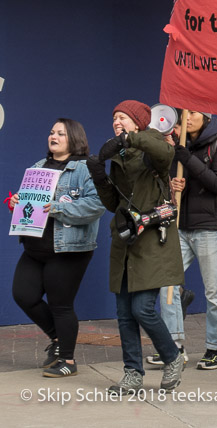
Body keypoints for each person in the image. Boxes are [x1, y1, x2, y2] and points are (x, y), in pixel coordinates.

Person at [86, 100, 185, 394]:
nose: (116, 122)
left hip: (153, 240)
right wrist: (99, 176)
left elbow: (165, 152)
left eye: (122, 117)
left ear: (139, 122)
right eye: (114, 117)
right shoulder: (118, 155)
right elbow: (113, 204)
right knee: (125, 313)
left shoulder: (154, 147)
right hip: (125, 239)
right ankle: (132, 372)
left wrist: (129, 138)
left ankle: (172, 356)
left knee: (143, 309)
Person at [9, 119, 105, 378]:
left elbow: (97, 205)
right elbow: (29, 204)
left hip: (68, 250)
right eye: (52, 132)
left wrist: (59, 208)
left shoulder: (86, 168)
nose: (54, 136)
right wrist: (17, 201)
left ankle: (68, 360)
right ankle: (58, 339)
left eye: (61, 133)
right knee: (23, 295)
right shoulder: (38, 167)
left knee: (61, 305)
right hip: (34, 247)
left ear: (74, 138)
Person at [146, 111, 217, 371]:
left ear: (206, 117)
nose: (186, 118)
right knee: (168, 285)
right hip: (181, 226)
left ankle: (216, 349)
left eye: (193, 113)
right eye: (182, 112)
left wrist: (186, 158)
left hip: (211, 227)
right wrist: (173, 184)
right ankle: (174, 347)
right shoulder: (178, 145)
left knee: (214, 290)